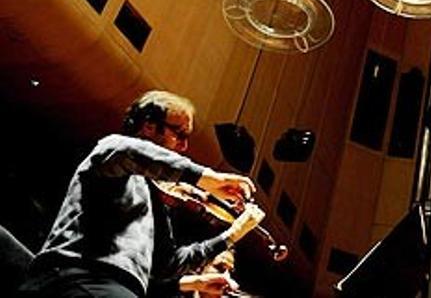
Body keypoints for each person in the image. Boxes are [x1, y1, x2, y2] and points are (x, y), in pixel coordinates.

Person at [18, 90, 265, 298]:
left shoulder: (155, 196)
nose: (184, 146)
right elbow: (127, 151)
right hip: (77, 276)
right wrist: (207, 178)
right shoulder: (113, 152)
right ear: (148, 126)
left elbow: (166, 264)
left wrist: (233, 234)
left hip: (114, 286)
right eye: (179, 134)